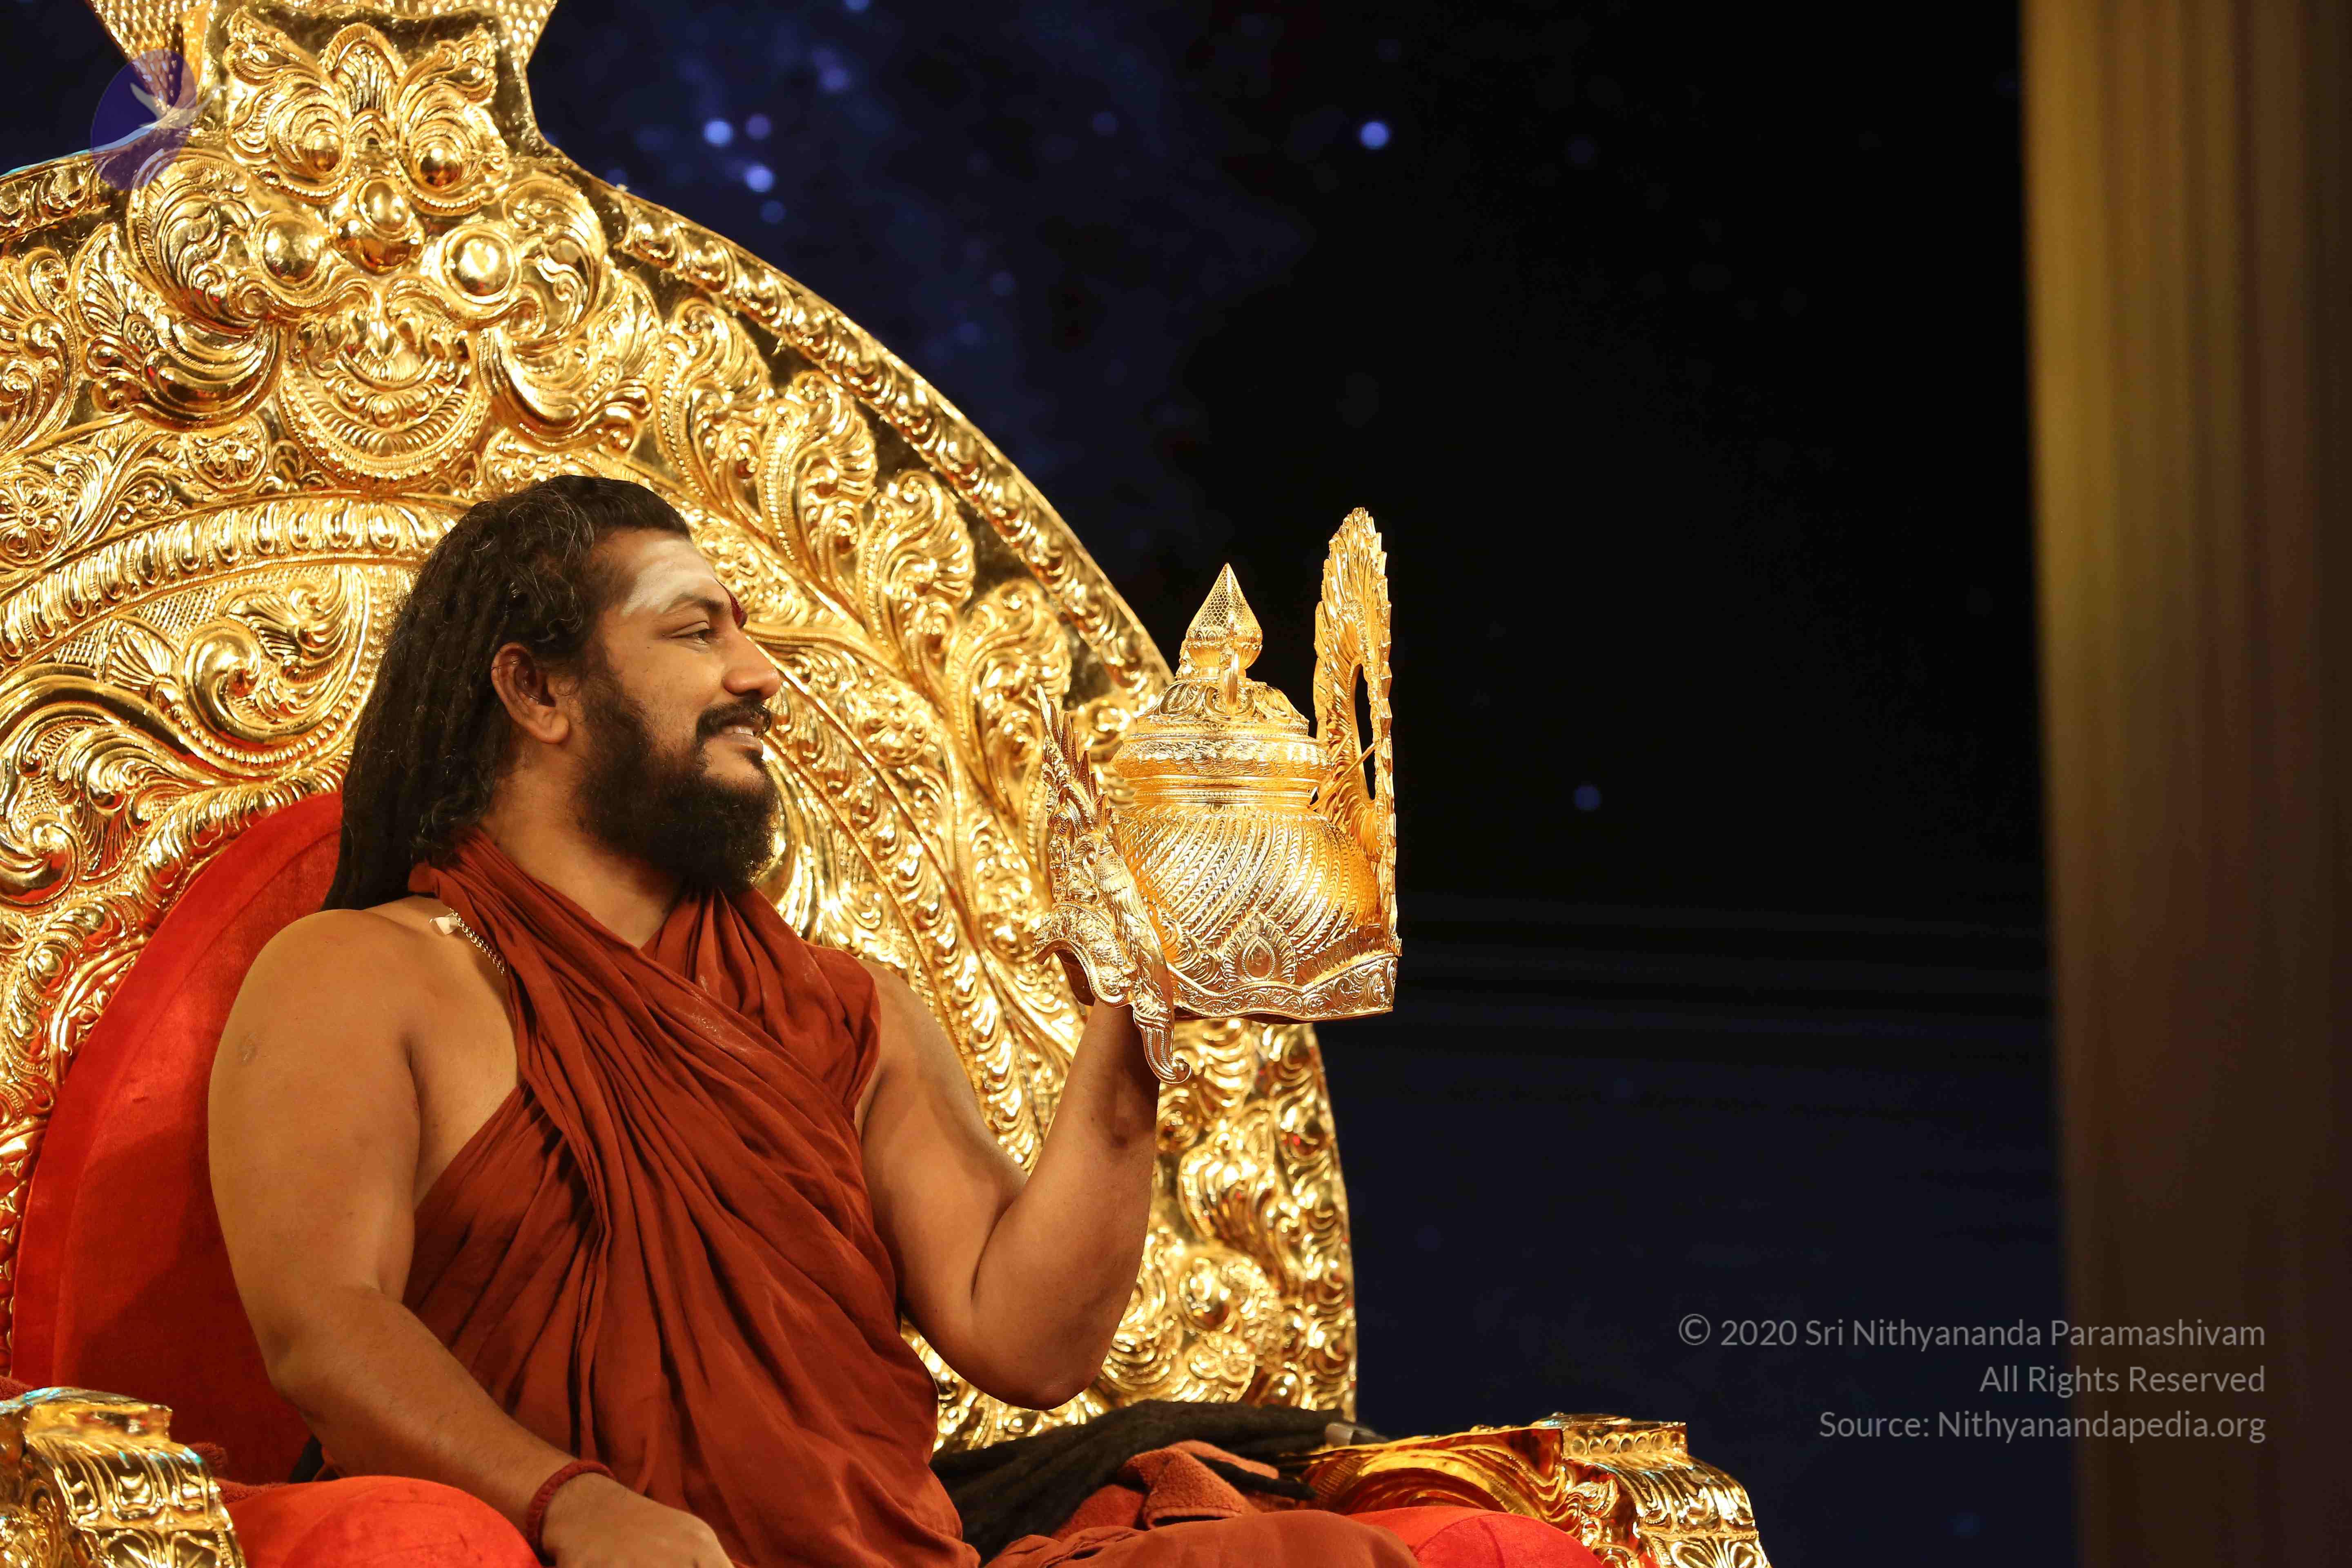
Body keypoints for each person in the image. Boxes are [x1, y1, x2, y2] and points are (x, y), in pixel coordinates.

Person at [206, 476, 1427, 1568]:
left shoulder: (844, 1010)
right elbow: (326, 1327)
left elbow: (1027, 1342)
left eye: (746, 633)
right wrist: (573, 1506)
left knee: (1318, 1558)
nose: (760, 676)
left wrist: (1132, 1020)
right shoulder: (366, 977)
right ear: (538, 690)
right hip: (558, 1549)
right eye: (697, 632)